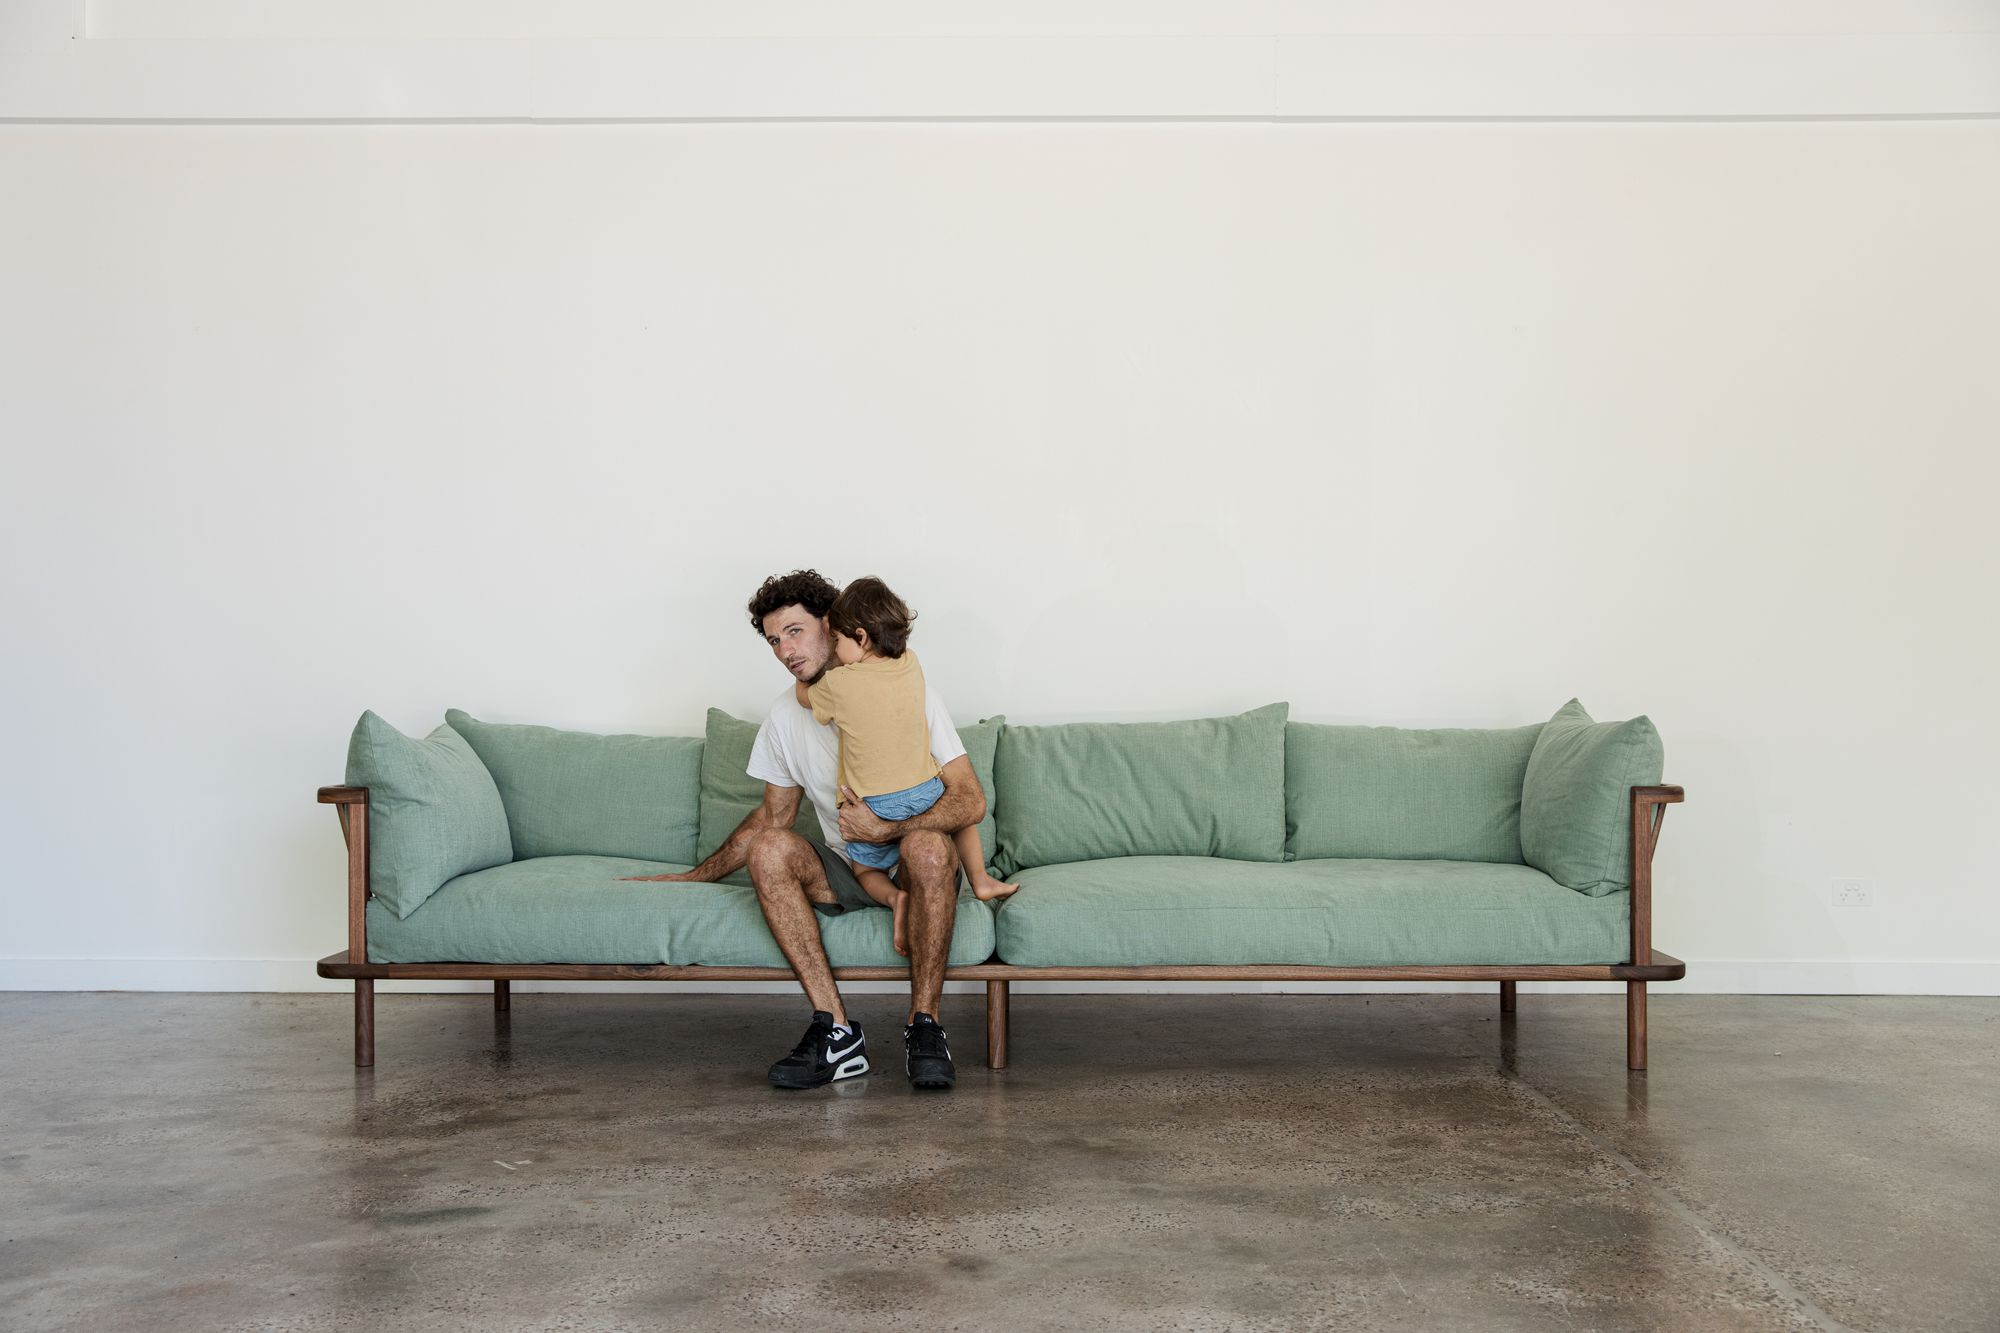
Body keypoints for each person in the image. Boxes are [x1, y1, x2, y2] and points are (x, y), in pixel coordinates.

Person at [619, 569, 1013, 1092]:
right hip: (850, 867)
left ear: (835, 627)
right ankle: (837, 1034)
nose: (784, 650)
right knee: (770, 850)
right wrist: (697, 875)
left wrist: (887, 824)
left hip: (922, 863)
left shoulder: (905, 686)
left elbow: (969, 798)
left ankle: (925, 1028)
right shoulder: (785, 717)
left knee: (925, 844)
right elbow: (771, 822)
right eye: (773, 640)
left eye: (795, 631)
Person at [799, 576, 1016, 958]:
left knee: (866, 873)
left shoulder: (839, 684)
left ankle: (895, 899)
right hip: (924, 790)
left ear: (861, 637)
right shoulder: (911, 664)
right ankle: (980, 878)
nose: (834, 647)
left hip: (873, 805)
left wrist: (821, 673)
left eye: (837, 639)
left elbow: (805, 696)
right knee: (960, 815)